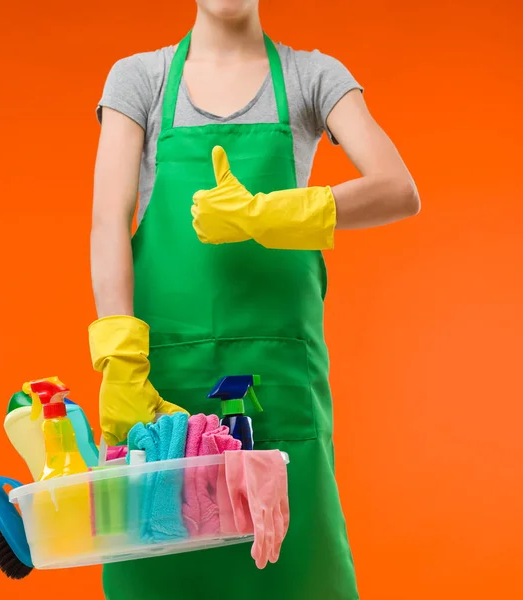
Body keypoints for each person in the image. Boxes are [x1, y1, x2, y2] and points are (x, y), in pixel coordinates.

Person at [90, 1, 420, 598]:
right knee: (160, 573)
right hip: (162, 387)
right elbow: (107, 223)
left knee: (296, 575)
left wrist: (274, 211)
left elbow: (399, 189)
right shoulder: (140, 78)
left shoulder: (310, 77)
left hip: (278, 386)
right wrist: (118, 359)